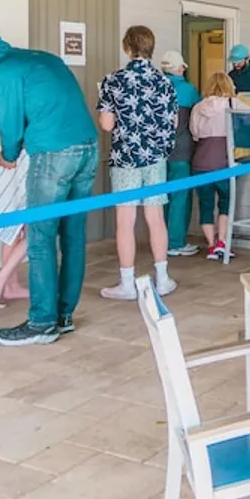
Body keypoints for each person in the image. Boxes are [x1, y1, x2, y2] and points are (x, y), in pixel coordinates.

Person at [0, 31, 100, 346]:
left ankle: (41, 322)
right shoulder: (42, 58)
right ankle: (63, 317)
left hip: (53, 152)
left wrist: (9, 155)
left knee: (40, 237)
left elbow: (10, 121)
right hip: (88, 147)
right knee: (73, 235)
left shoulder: (2, 72)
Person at [97, 25, 179, 301]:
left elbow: (107, 125)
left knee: (125, 220)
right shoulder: (165, 82)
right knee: (156, 218)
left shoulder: (113, 80)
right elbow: (173, 123)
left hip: (125, 157)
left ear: (127, 47)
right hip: (156, 158)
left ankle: (127, 283)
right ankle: (163, 279)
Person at [0, 113, 30, 310]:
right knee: (35, 228)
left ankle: (10, 285)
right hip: (14, 156)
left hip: (6, 155)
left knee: (15, 229)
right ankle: (0, 281)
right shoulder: (11, 103)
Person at [191, 72, 240, 262]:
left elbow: (194, 133)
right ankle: (222, 242)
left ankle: (211, 245)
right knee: (226, 202)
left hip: (201, 162)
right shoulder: (233, 104)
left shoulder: (198, 107)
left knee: (206, 205)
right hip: (224, 162)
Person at [160, 51, 202, 257]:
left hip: (158, 152)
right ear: (180, 68)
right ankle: (176, 242)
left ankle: (161, 241)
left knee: (163, 197)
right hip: (182, 150)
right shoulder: (188, 90)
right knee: (180, 197)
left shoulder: (155, 87)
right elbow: (200, 117)